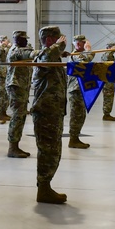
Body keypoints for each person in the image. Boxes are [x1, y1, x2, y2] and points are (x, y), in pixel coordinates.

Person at [31, 26, 69, 204]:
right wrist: (58, 48)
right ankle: (44, 189)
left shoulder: (52, 56)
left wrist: (60, 52)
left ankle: (45, 186)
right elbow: (46, 58)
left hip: (53, 111)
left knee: (53, 151)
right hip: (45, 112)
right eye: (57, 38)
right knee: (48, 151)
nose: (61, 41)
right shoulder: (43, 57)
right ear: (48, 40)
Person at [6, 30, 34, 158]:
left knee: (20, 116)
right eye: (24, 40)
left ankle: (15, 146)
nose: (27, 42)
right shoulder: (15, 50)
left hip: (21, 86)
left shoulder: (21, 50)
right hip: (16, 86)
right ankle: (12, 147)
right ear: (18, 40)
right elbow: (30, 54)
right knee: (17, 117)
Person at [67, 34, 93, 149]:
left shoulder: (82, 54)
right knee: (76, 114)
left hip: (81, 87)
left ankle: (75, 137)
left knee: (80, 115)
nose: (77, 44)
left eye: (80, 42)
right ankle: (73, 139)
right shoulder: (75, 55)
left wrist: (89, 52)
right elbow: (84, 62)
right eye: (75, 42)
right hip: (75, 89)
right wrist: (89, 51)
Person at [102, 42, 115, 121]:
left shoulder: (111, 55)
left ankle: (107, 113)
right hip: (107, 81)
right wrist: (111, 50)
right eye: (114, 47)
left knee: (110, 97)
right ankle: (106, 114)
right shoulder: (107, 55)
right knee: (108, 97)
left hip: (110, 80)